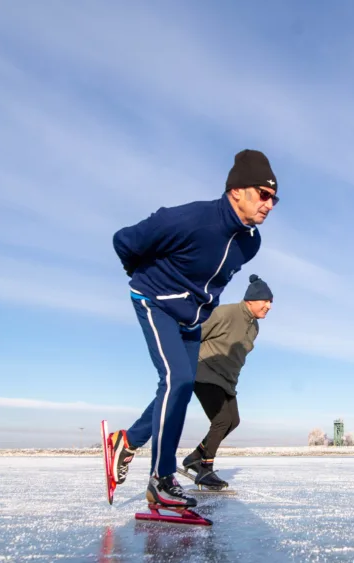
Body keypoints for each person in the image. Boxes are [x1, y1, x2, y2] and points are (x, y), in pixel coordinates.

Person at [106, 150, 279, 508]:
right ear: (236, 191)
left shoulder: (251, 244)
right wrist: (147, 277)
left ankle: (126, 442)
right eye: (263, 194)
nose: (270, 204)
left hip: (192, 318)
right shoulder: (190, 219)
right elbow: (125, 241)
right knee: (177, 380)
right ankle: (161, 479)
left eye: (274, 198)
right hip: (154, 301)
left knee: (179, 388)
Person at [180, 274, 273, 490]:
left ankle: (195, 456)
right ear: (251, 299)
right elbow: (195, 335)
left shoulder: (254, 327)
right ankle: (205, 469)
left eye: (271, 302)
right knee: (221, 419)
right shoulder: (225, 313)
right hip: (204, 370)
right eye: (265, 301)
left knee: (233, 421)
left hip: (227, 380)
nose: (269, 306)